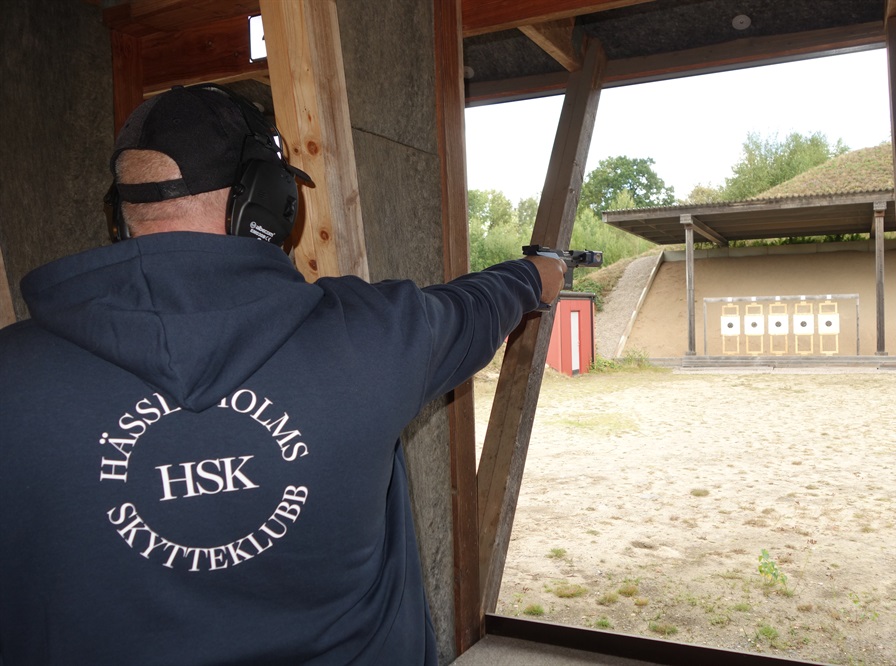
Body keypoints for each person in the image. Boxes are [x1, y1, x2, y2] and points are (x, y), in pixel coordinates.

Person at [0, 85, 565, 665]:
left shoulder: (11, 372)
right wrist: (540, 272)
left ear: (119, 216)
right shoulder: (375, 334)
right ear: (267, 204)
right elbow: (483, 303)